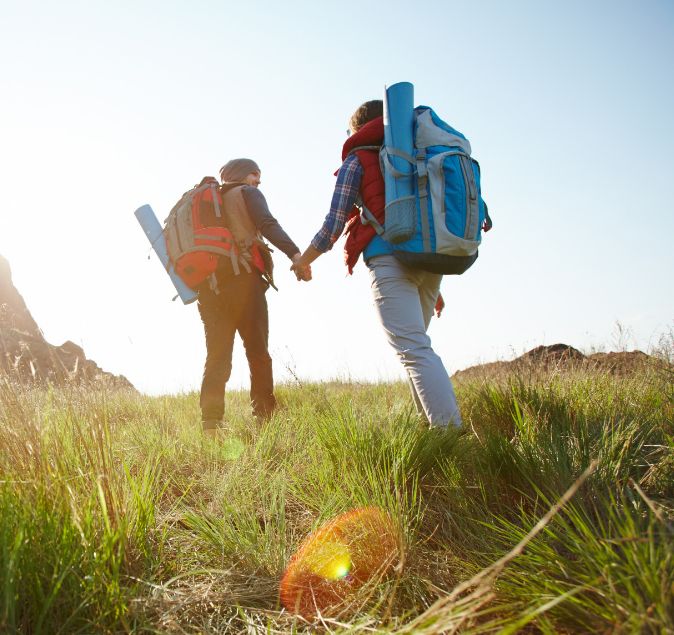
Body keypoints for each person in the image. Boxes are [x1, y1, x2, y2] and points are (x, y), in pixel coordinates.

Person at [291, 101, 462, 428]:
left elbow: (333, 224)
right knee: (416, 350)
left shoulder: (358, 159)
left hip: (390, 261)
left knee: (414, 350)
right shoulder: (417, 157)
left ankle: (449, 433)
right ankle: (429, 429)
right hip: (430, 263)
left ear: (357, 130)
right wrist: (432, 286)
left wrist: (304, 260)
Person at [199, 158, 310, 436]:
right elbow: (268, 224)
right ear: (241, 175)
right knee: (258, 352)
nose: (258, 182)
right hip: (243, 282)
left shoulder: (207, 203)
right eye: (255, 175)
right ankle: (264, 418)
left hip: (209, 289)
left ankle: (211, 424)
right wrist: (296, 255)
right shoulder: (246, 193)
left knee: (217, 355)